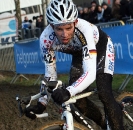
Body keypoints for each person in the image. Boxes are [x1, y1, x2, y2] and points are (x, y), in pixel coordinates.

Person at [24, 0, 124, 129]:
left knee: (104, 91)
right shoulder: (45, 39)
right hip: (79, 54)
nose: (64, 34)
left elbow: (90, 73)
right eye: (59, 29)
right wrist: (41, 104)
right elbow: (50, 75)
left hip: (101, 47)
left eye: (68, 28)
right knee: (79, 101)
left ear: (75, 22)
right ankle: (104, 124)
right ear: (51, 26)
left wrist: (68, 91)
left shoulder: (84, 29)